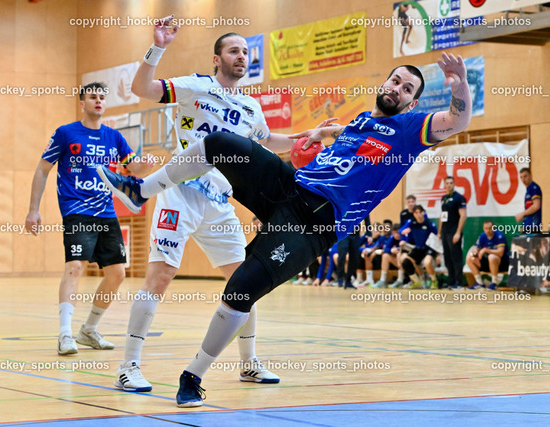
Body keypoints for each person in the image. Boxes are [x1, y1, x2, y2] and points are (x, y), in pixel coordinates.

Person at [98, 52, 472, 407]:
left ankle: (193, 376)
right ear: (384, 83)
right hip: (289, 187)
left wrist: (459, 87)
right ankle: (141, 191)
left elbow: (456, 121)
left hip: (315, 224)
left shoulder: (408, 130)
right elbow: (345, 132)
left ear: (412, 103)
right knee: (219, 143)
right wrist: (321, 134)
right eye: (395, 81)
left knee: (240, 289)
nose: (397, 89)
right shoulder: (360, 121)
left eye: (407, 89)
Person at [99, 18, 303, 391]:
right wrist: (158, 47)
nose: (241, 56)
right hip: (180, 192)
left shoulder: (250, 106)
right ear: (216, 58)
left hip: (220, 203)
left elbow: (267, 141)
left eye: (245, 52)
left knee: (246, 283)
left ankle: (249, 363)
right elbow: (141, 88)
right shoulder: (196, 87)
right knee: (160, 277)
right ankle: (128, 366)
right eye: (233, 50)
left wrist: (309, 136)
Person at [25, 82, 154, 355]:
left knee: (117, 274)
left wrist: (147, 164)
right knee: (74, 267)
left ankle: (88, 329)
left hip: (106, 212)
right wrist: (33, 210)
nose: (98, 100)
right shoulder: (66, 133)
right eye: (93, 96)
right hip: (77, 210)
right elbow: (42, 169)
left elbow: (134, 168)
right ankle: (65, 334)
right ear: (82, 103)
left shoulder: (114, 137)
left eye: (102, 97)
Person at [400, 205, 439, 289]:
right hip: (418, 248)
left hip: (429, 248)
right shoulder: (412, 223)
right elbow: (401, 231)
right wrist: (404, 231)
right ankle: (417, 282)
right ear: (413, 214)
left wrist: (439, 254)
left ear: (423, 213)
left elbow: (437, 237)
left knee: (427, 263)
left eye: (420, 212)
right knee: (405, 263)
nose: (418, 214)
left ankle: (434, 280)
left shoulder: (429, 223)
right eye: (416, 213)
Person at [438, 176, 467, 288]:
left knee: (456, 257)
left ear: (454, 184)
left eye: (451, 183)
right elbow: (442, 216)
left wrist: (458, 233)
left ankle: (459, 282)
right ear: (444, 185)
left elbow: (463, 216)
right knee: (447, 257)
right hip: (445, 232)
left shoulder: (459, 198)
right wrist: (439, 232)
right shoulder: (443, 198)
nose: (449, 185)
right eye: (447, 183)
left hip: (454, 232)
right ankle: (451, 281)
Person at [465, 219, 509, 290]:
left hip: (502, 263)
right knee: (470, 258)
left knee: (492, 257)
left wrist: (486, 250)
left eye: (490, 228)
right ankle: (479, 283)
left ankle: (494, 283)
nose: (488, 230)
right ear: (483, 228)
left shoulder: (499, 236)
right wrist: (475, 252)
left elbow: (500, 253)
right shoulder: (482, 236)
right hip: (489, 263)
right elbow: (477, 247)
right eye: (486, 228)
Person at [374, 224, 405, 288]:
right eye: (394, 233)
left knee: (399, 255)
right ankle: (382, 280)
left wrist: (399, 251)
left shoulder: (405, 237)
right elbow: (386, 249)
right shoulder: (392, 238)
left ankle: (400, 280)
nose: (396, 235)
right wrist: (391, 250)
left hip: (409, 261)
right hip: (399, 263)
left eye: (397, 233)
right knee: (385, 256)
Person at [515, 167, 542, 234]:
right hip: (528, 225)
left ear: (530, 175)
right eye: (521, 177)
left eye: (525, 176)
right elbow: (530, 209)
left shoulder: (534, 188)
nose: (523, 179)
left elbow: (536, 206)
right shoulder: (528, 189)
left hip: (534, 225)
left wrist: (522, 214)